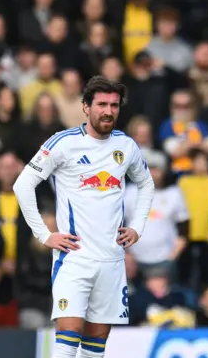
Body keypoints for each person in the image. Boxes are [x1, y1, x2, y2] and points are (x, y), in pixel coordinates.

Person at [13, 76, 154, 358]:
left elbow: (146, 183)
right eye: (102, 104)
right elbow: (22, 184)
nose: (108, 111)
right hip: (75, 258)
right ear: (86, 107)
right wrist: (44, 234)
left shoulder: (125, 146)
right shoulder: (63, 143)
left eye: (114, 105)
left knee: (94, 350)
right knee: (66, 344)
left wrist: (137, 226)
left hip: (112, 261)